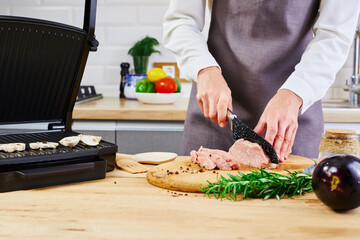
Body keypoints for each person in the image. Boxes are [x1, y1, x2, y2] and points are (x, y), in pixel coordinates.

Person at [163, 0, 360, 161]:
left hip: (292, 120)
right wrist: (205, 70)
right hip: (217, 113)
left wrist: (295, 93)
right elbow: (181, 19)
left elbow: (334, 35)